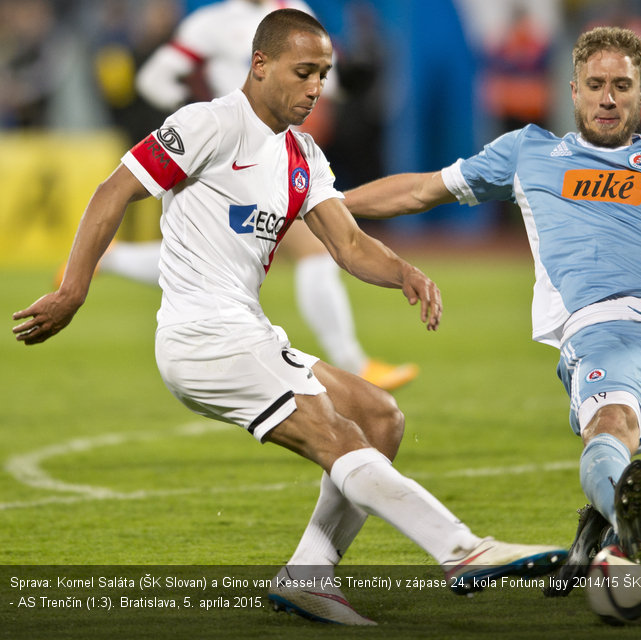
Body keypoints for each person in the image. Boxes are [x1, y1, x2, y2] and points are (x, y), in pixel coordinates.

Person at [12, 9, 566, 626]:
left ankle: (309, 577)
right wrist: (72, 290)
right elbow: (114, 189)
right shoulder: (208, 125)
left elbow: (350, 245)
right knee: (340, 437)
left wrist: (404, 272)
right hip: (204, 339)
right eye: (303, 72)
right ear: (260, 65)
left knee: (380, 417)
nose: (314, 88)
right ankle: (463, 550)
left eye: (322, 75)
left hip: (246, 332)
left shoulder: (303, 155)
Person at [343, 26, 641, 591]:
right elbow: (421, 191)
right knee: (612, 426)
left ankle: (609, 536)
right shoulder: (528, 151)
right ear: (575, 89)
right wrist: (327, 204)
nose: (609, 97)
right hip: (603, 335)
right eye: (597, 85)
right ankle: (640, 551)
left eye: (622, 86)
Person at [102, 0, 419, 391]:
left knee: (220, 251)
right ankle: (355, 364)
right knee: (316, 250)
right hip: (228, 155)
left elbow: (318, 80)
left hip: (277, 149)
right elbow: (154, 78)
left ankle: (112, 258)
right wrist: (200, 122)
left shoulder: (294, 11)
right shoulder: (211, 22)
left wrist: (348, 81)